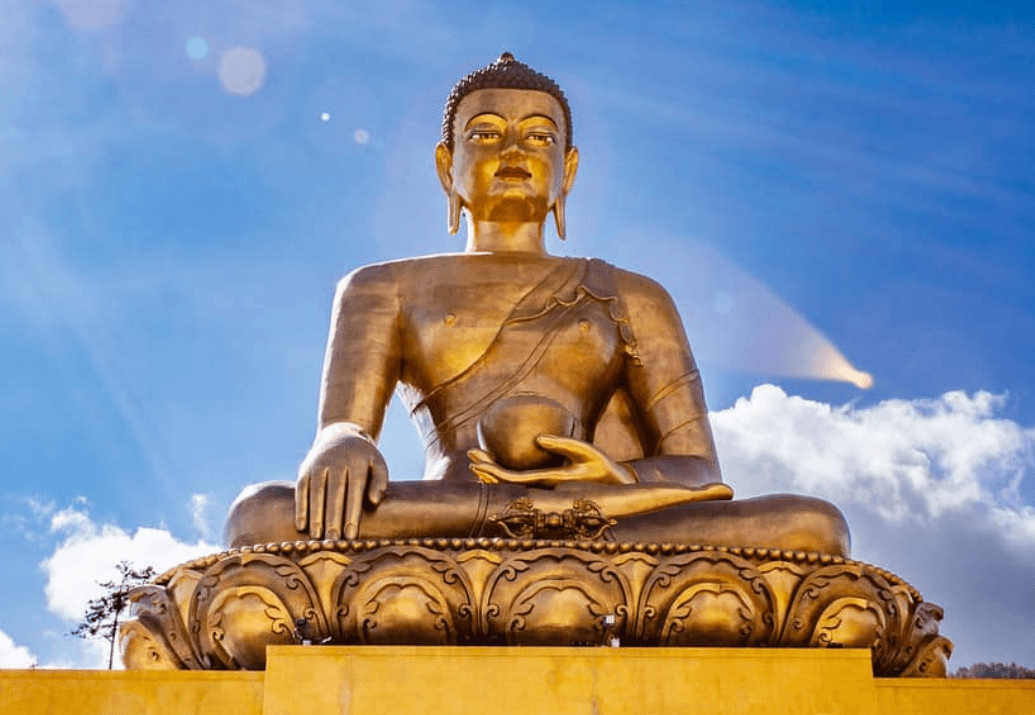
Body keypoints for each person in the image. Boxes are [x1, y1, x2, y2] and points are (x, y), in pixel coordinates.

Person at [225, 54, 849, 555]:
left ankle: (545, 530)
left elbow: (699, 471)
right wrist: (340, 441)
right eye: (485, 134)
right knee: (262, 517)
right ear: (446, 166)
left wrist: (617, 480)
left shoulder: (632, 294)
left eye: (539, 137)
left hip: (600, 517)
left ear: (567, 170)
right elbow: (344, 427)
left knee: (813, 526)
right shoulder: (380, 287)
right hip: (457, 510)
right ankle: (539, 531)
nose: (514, 153)